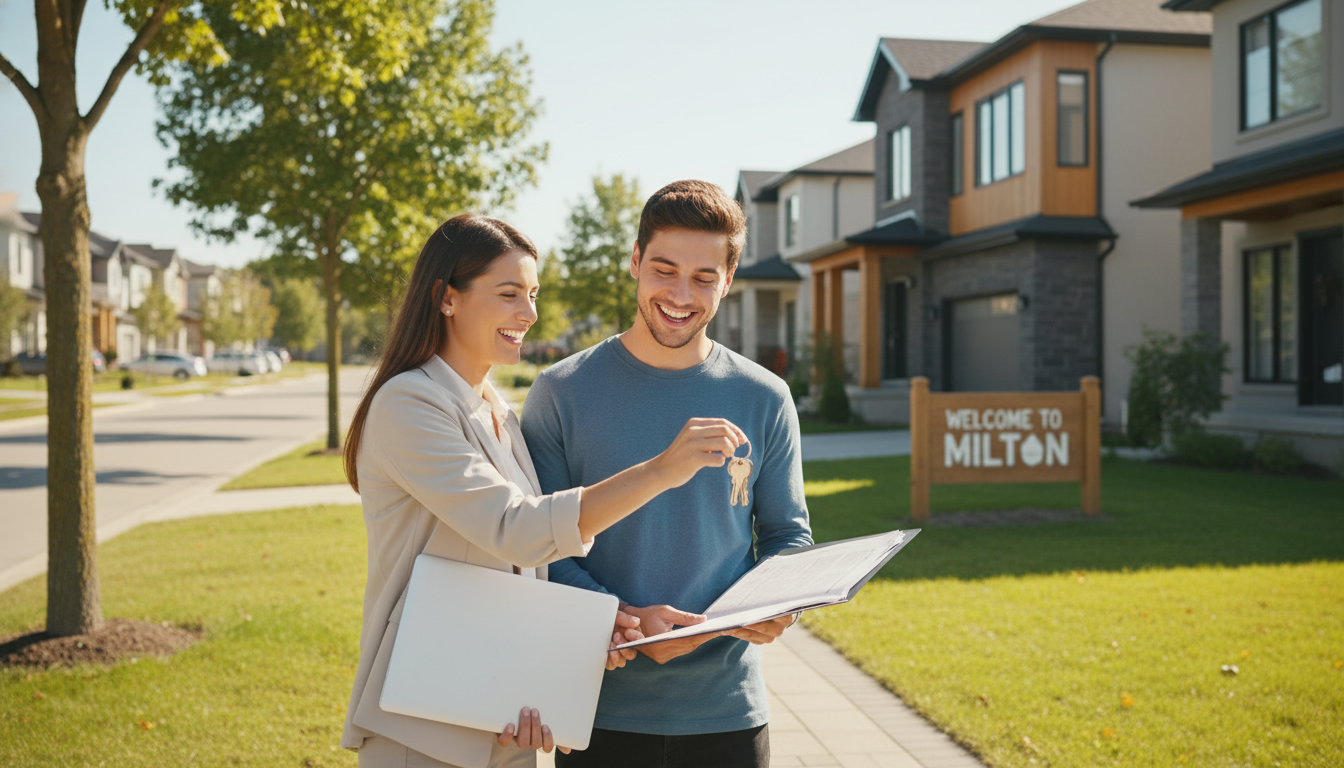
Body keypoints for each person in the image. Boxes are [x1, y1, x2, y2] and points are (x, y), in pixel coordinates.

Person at [341, 214, 751, 768]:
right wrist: (660, 470)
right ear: (446, 298)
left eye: (532, 295)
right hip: (426, 725)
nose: (529, 314)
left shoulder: (498, 413)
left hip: (506, 716)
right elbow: (517, 530)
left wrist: (606, 625)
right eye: (509, 294)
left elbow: (525, 574)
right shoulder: (408, 404)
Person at [521, 181, 813, 768]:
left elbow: (788, 538)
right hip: (599, 710)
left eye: (704, 277)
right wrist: (623, 621)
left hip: (728, 713)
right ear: (634, 262)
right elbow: (539, 547)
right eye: (663, 269)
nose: (681, 294)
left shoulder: (766, 397)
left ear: (727, 281)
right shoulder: (561, 393)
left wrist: (782, 603)